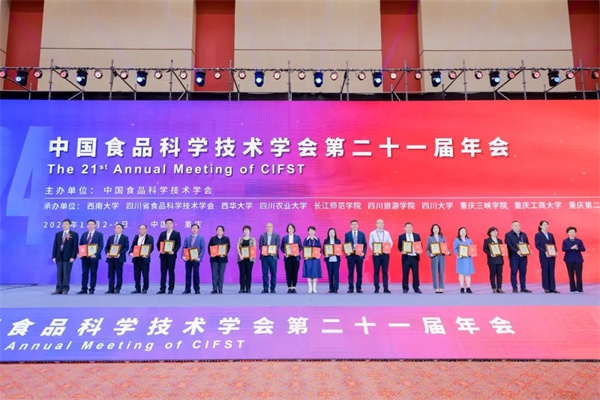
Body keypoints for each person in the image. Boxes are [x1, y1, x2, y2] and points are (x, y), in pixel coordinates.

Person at [51, 219, 79, 295]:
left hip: (68, 257)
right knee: (59, 273)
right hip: (59, 256)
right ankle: (58, 289)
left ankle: (65, 289)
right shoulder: (58, 234)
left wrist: (73, 257)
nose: (64, 225)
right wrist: (54, 256)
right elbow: (55, 245)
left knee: (66, 273)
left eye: (66, 224)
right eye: (63, 224)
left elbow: (75, 247)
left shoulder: (74, 234)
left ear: (70, 225)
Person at [77, 219, 104, 295]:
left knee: (93, 273)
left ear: (95, 225)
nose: (90, 226)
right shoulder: (84, 234)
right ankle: (84, 289)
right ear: (87, 226)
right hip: (85, 257)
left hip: (94, 258)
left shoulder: (99, 234)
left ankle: (92, 289)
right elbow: (81, 245)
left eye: (92, 224)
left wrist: (96, 254)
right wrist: (79, 253)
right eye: (89, 224)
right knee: (84, 273)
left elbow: (101, 246)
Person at [504, 221, 532, 293]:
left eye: (519, 225)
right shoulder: (508, 235)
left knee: (523, 272)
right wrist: (517, 251)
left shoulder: (523, 234)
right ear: (512, 227)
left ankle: (523, 287)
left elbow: (527, 244)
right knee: (514, 272)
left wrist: (529, 250)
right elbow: (509, 245)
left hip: (523, 257)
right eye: (516, 225)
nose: (518, 227)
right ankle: (514, 288)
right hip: (514, 257)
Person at [157, 218, 181, 294]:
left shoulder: (176, 234)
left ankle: (171, 288)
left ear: (173, 224)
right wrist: (161, 250)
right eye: (167, 223)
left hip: (171, 256)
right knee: (163, 272)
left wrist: (173, 251)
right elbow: (158, 244)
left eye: (170, 223)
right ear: (165, 225)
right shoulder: (162, 234)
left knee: (171, 272)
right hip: (163, 256)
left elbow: (178, 244)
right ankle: (162, 289)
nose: (168, 225)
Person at [369, 219, 393, 293]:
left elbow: (391, 242)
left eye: (382, 223)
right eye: (379, 223)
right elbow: (370, 243)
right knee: (376, 271)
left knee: (385, 272)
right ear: (376, 224)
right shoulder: (372, 233)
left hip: (385, 255)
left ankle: (386, 288)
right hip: (376, 255)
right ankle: (376, 288)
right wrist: (374, 251)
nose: (380, 224)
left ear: (383, 224)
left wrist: (387, 249)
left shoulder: (387, 233)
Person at [104, 224, 129, 294]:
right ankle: (110, 289)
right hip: (111, 258)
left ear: (122, 229)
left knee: (119, 274)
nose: (117, 229)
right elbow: (106, 247)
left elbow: (126, 247)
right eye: (115, 228)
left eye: (119, 228)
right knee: (110, 275)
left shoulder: (125, 237)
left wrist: (120, 254)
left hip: (119, 258)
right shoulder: (110, 237)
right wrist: (107, 253)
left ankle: (118, 288)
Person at [129, 224, 154, 294]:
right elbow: (132, 247)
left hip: (145, 259)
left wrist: (147, 254)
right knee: (136, 275)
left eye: (143, 229)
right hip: (136, 259)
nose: (142, 230)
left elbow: (151, 247)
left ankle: (145, 288)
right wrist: (130, 253)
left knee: (145, 275)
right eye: (140, 229)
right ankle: (137, 288)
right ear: (138, 230)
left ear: (146, 230)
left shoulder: (149, 237)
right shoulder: (136, 237)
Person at [398, 222, 422, 294]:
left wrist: (420, 250)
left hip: (415, 257)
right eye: (407, 227)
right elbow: (399, 246)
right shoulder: (401, 236)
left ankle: (416, 288)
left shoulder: (416, 236)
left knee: (415, 274)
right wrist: (402, 251)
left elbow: (420, 245)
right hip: (406, 257)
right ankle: (405, 288)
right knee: (405, 274)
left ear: (412, 228)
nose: (409, 228)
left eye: (410, 227)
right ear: (404, 228)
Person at [535, 220, 558, 293]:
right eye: (544, 225)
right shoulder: (538, 235)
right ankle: (546, 287)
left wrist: (556, 251)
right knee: (545, 271)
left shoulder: (550, 234)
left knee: (551, 271)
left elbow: (554, 244)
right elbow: (537, 245)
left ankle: (552, 288)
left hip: (552, 255)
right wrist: (544, 252)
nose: (546, 226)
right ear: (540, 226)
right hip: (544, 256)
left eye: (547, 225)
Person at [344, 220, 367, 293]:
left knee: (359, 273)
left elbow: (365, 245)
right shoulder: (347, 234)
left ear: (358, 225)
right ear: (350, 226)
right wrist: (346, 252)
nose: (354, 226)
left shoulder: (362, 234)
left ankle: (359, 288)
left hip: (359, 256)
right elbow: (345, 244)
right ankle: (351, 288)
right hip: (351, 256)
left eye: (355, 224)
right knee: (350, 273)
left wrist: (363, 253)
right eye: (353, 224)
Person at [182, 223, 206, 294]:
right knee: (188, 274)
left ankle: (197, 289)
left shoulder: (201, 238)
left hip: (196, 259)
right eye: (193, 228)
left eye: (196, 228)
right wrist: (183, 256)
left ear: (198, 229)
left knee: (196, 274)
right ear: (191, 229)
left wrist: (199, 257)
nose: (194, 229)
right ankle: (187, 289)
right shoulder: (187, 238)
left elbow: (203, 248)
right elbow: (184, 247)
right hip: (188, 259)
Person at [426, 223, 448, 293]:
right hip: (434, 257)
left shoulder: (442, 237)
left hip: (441, 256)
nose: (436, 229)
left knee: (441, 271)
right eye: (434, 228)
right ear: (432, 230)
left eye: (437, 228)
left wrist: (448, 252)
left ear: (439, 229)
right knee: (434, 272)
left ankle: (441, 287)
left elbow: (445, 247)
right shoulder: (429, 238)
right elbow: (427, 249)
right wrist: (430, 254)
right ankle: (436, 287)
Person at [562, 227, 586, 293]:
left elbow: (583, 249)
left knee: (579, 274)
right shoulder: (565, 241)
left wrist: (577, 248)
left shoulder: (579, 241)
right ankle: (572, 289)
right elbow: (563, 249)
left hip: (578, 259)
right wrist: (571, 248)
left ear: (575, 233)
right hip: (569, 260)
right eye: (570, 232)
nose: (572, 233)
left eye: (573, 232)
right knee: (571, 274)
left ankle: (579, 289)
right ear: (567, 233)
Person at [280, 223, 302, 293]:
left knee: (295, 272)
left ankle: (294, 287)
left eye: (292, 228)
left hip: (295, 257)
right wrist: (285, 253)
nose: (290, 229)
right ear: (287, 229)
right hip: (288, 257)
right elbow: (282, 247)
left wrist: (297, 252)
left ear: (294, 229)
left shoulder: (297, 237)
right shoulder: (284, 238)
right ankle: (289, 287)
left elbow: (300, 246)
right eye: (289, 228)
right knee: (288, 272)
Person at [259, 222, 280, 293]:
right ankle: (265, 288)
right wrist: (264, 252)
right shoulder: (262, 236)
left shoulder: (276, 235)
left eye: (270, 226)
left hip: (273, 257)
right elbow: (260, 246)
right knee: (265, 273)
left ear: (272, 227)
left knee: (273, 273)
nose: (269, 228)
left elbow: (277, 246)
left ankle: (273, 288)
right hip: (264, 257)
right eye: (267, 226)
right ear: (266, 228)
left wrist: (273, 252)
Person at [208, 225, 230, 294]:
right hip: (214, 259)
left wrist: (225, 254)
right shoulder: (213, 238)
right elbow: (209, 247)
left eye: (221, 230)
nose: (219, 231)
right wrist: (211, 254)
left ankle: (220, 288)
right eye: (218, 230)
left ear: (223, 232)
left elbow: (228, 247)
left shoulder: (226, 239)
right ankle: (214, 289)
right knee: (214, 275)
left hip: (223, 259)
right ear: (216, 231)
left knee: (221, 274)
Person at [453, 227, 475, 293]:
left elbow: (472, 248)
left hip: (468, 259)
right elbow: (455, 249)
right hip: (461, 259)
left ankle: (468, 287)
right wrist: (458, 254)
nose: (463, 232)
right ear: (459, 232)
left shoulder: (469, 240)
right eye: (461, 231)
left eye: (464, 231)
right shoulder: (456, 240)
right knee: (461, 273)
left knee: (468, 274)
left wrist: (472, 253)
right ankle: (462, 287)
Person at [483, 227, 504, 293]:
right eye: (493, 231)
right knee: (492, 274)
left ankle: (499, 288)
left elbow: (502, 248)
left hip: (499, 259)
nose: (495, 233)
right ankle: (494, 288)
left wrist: (504, 252)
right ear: (490, 233)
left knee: (499, 274)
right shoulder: (487, 240)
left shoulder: (500, 240)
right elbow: (484, 249)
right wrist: (490, 254)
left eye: (496, 231)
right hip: (492, 259)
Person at [236, 225, 256, 293]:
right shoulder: (240, 239)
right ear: (243, 231)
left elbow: (254, 248)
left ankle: (248, 288)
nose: (246, 231)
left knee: (248, 274)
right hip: (241, 259)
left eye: (247, 230)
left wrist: (251, 255)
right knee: (242, 273)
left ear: (250, 231)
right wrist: (240, 255)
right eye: (245, 230)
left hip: (250, 259)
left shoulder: (253, 239)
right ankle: (242, 288)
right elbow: (237, 247)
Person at [303, 226, 322, 293]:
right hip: (308, 259)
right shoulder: (306, 239)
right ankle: (310, 288)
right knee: (308, 272)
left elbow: (320, 249)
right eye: (310, 230)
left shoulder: (317, 239)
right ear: (308, 232)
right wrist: (305, 256)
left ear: (315, 231)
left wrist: (319, 255)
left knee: (315, 272)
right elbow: (304, 249)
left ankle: (314, 288)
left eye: (313, 230)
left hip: (315, 259)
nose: (311, 232)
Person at [323, 228, 342, 293]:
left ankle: (336, 288)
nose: (331, 233)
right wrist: (325, 254)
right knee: (330, 274)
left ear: (335, 233)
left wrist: (339, 252)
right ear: (328, 233)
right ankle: (331, 288)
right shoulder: (326, 241)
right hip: (329, 260)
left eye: (333, 232)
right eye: (330, 232)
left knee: (336, 274)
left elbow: (340, 249)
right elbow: (324, 250)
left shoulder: (338, 241)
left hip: (336, 260)